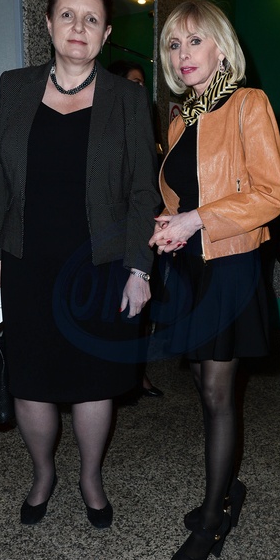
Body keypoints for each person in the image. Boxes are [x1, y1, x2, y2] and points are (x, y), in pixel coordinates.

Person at [0, 0, 160, 528]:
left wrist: (139, 269)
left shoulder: (128, 99)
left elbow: (143, 190)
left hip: (98, 266)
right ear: (48, 23)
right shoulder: (14, 87)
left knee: (92, 383)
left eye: (91, 19)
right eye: (67, 15)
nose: (78, 27)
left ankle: (90, 476)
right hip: (26, 261)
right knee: (31, 380)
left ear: (105, 34)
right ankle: (43, 474)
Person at [149, 0, 280, 560]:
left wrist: (196, 220)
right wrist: (169, 222)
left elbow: (270, 195)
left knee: (217, 392)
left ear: (222, 49)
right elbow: (183, 192)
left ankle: (211, 520)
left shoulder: (249, 104)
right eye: (174, 45)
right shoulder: (182, 119)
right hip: (192, 269)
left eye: (196, 41)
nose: (184, 55)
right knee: (204, 392)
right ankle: (226, 490)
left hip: (229, 265)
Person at [107, 58, 164, 399]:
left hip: (148, 231)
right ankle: (119, 377)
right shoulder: (105, 124)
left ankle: (136, 375)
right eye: (133, 82)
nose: (139, 89)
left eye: (142, 83)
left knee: (141, 311)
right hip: (114, 236)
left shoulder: (146, 123)